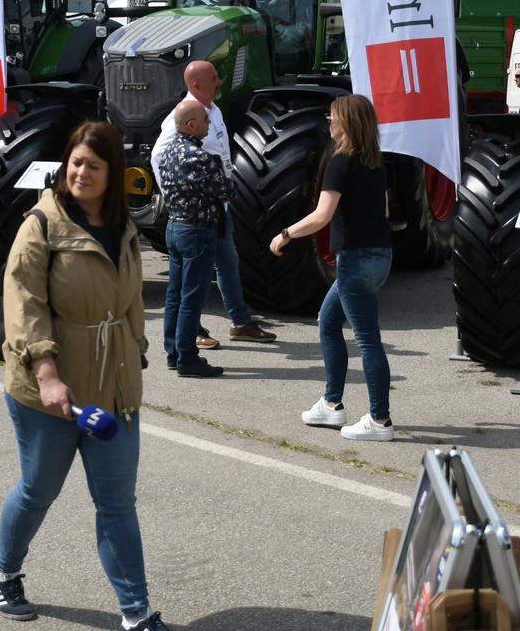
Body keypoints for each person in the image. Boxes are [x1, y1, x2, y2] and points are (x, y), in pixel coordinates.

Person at [0, 121, 169, 630]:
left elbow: (132, 299)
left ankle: (136, 613)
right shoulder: (41, 226)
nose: (81, 172)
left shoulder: (125, 228)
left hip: (112, 389)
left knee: (116, 503)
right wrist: (47, 374)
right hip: (48, 391)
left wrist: (136, 350)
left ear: (114, 173)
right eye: (75, 163)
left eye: (93, 165)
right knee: (37, 490)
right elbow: (23, 305)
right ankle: (3, 573)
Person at [271, 94, 395, 442]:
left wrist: (285, 233)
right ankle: (331, 404)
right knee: (328, 323)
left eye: (333, 117)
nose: (329, 122)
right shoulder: (376, 161)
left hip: (355, 261)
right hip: (380, 257)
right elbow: (384, 211)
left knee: (368, 341)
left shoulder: (341, 161)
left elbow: (322, 216)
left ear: (348, 123)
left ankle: (380, 421)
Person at [149, 59, 277, 346]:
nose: (220, 81)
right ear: (196, 85)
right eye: (214, 78)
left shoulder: (212, 110)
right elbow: (159, 156)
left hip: (218, 209)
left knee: (228, 263)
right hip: (195, 214)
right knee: (193, 276)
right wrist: (174, 196)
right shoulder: (181, 116)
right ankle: (190, 332)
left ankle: (241, 322)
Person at [155, 100, 233, 379]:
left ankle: (173, 353)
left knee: (175, 294)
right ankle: (188, 357)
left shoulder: (167, 154)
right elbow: (226, 189)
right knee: (192, 297)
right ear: (191, 125)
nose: (208, 124)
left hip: (175, 227)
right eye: (204, 120)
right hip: (198, 231)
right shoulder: (200, 158)